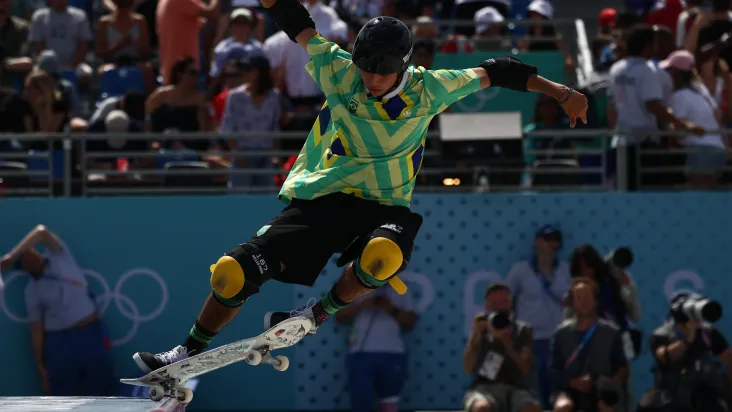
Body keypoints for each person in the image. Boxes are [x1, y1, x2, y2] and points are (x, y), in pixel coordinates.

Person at [130, 0, 589, 374]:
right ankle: (184, 353)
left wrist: (562, 93)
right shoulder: (339, 70)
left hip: (385, 207)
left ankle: (315, 314)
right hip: (322, 201)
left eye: (381, 73)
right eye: (365, 69)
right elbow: (295, 21)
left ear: (403, 66)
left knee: (383, 257)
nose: (370, 80)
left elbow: (500, 69)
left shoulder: (430, 89)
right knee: (230, 273)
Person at [0, 225, 115, 396]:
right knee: (62, 396)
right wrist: (40, 365)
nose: (31, 256)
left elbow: (42, 232)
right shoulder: (32, 291)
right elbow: (36, 329)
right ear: (23, 268)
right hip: (60, 344)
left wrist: (10, 257)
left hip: (90, 334)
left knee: (103, 390)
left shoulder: (59, 256)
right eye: (24, 259)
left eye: (29, 252)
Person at [505, 225, 571, 409]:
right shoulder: (521, 269)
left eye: (555, 240)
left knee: (555, 381)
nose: (551, 243)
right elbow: (507, 297)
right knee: (532, 381)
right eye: (547, 239)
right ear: (537, 241)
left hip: (557, 336)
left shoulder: (566, 269)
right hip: (530, 337)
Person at [334, 273, 417, 412]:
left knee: (389, 404)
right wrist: (361, 305)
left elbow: (410, 322)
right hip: (361, 353)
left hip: (393, 353)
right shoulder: (354, 285)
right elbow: (339, 317)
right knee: (361, 403)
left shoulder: (400, 287)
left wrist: (391, 309)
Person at [638, 293, 732, 412]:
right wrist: (688, 339)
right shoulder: (662, 335)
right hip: (672, 392)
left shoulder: (708, 333)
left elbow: (728, 358)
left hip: (705, 392)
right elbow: (664, 357)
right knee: (648, 405)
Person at [552, 278, 629, 412]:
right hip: (570, 390)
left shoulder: (611, 332)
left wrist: (610, 383)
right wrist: (574, 382)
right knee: (563, 407)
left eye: (588, 297)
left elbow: (622, 367)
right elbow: (554, 370)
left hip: (601, 391)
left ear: (596, 300)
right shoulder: (561, 334)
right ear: (572, 302)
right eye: (579, 298)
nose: (584, 301)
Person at [463, 283, 540, 412]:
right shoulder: (481, 329)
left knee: (528, 408)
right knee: (481, 408)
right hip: (484, 387)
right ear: (487, 305)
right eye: (494, 303)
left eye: (504, 302)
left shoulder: (523, 330)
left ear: (510, 303)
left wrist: (508, 345)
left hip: (516, 387)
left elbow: (526, 369)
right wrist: (475, 337)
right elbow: (467, 368)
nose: (499, 307)